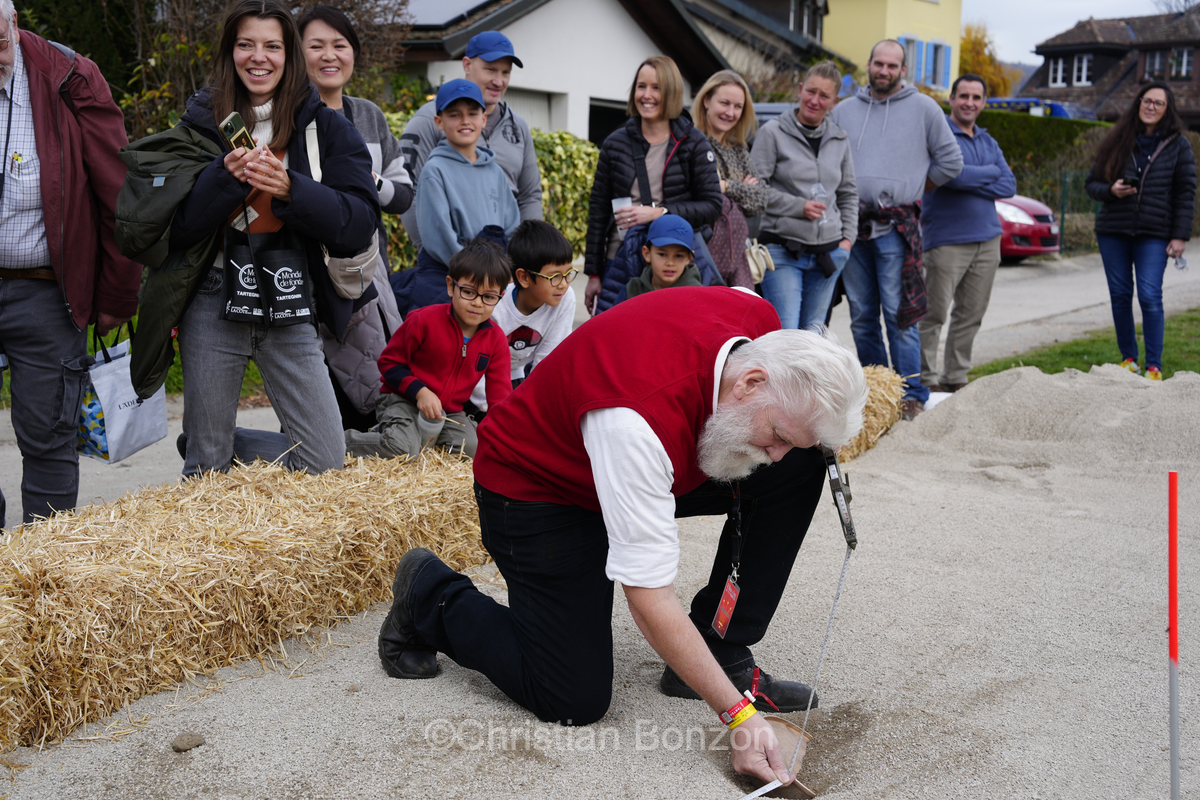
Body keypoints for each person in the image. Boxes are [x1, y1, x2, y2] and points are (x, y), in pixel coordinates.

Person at [377, 286, 868, 788]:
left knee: (798, 469)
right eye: (780, 435)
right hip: (539, 486)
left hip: (627, 454)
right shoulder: (635, 425)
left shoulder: (755, 316)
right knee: (573, 698)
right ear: (751, 382)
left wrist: (801, 440)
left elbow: (780, 436)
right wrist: (738, 716)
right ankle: (429, 593)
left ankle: (717, 646)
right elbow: (649, 600)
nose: (777, 451)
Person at [169, 0, 379, 477]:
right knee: (206, 470)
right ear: (230, 52)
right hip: (214, 294)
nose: (258, 57)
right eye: (246, 44)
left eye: (272, 46)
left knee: (325, 462)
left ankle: (233, 442)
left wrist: (291, 188)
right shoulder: (200, 123)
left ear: (290, 56)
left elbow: (360, 220)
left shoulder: (326, 127)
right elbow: (178, 228)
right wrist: (224, 181)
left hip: (289, 294)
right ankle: (212, 446)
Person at [0, 0, 141, 527]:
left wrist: (116, 296)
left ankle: (48, 575)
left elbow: (118, 197)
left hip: (47, 293)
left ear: (13, 24)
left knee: (48, 437)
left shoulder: (70, 77)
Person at [831, 40, 962, 420]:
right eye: (879, 63)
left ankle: (910, 393)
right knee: (861, 314)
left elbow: (950, 162)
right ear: (868, 65)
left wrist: (915, 188)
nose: (884, 71)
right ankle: (879, 389)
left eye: (892, 65)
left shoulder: (924, 108)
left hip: (896, 227)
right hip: (853, 225)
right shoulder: (844, 111)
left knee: (900, 315)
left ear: (903, 70)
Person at [298, 4, 412, 431]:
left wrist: (367, 181)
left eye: (339, 45)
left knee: (369, 394)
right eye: (316, 46)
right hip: (306, 280)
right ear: (297, 54)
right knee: (313, 401)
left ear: (353, 54)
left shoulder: (368, 115)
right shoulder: (289, 117)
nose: (330, 55)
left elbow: (403, 194)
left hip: (364, 274)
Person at [345, 240, 512, 459]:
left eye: (489, 297)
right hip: (402, 400)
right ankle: (340, 442)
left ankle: (418, 439)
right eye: (469, 292)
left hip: (448, 413)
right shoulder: (423, 320)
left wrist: (505, 436)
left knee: (471, 450)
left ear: (500, 296)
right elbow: (389, 363)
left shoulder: (496, 339)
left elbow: (500, 397)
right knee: (403, 450)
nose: (478, 303)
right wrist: (420, 392)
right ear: (451, 286)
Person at [583, 55, 723, 314]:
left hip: (672, 263)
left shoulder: (692, 142)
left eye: (656, 87)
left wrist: (660, 212)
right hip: (620, 259)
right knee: (615, 341)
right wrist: (593, 273)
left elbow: (712, 205)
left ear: (671, 92)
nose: (646, 95)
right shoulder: (615, 143)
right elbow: (598, 211)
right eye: (641, 86)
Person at [1086, 81, 1195, 380]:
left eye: (1158, 103)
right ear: (1138, 104)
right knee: (1120, 295)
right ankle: (1129, 359)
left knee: (1149, 296)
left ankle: (1154, 366)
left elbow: (1186, 193)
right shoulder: (1117, 139)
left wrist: (1179, 235)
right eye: (1146, 101)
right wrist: (1111, 190)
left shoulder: (1178, 145)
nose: (1151, 107)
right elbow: (1091, 184)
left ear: (1167, 110)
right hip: (1113, 231)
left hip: (1154, 232)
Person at [397, 31, 541, 254]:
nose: (498, 81)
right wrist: (435, 253)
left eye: (506, 72)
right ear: (467, 64)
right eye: (490, 69)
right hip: (451, 264)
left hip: (504, 263)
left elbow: (529, 195)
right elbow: (409, 192)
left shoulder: (519, 127)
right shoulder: (427, 120)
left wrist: (525, 255)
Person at [918, 74, 1015, 394]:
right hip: (945, 240)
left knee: (970, 314)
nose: (969, 103)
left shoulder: (989, 141)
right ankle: (925, 381)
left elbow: (1009, 185)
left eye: (976, 97)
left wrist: (967, 176)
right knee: (933, 315)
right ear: (951, 99)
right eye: (963, 96)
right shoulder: (940, 133)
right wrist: (988, 174)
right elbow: (950, 175)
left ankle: (955, 377)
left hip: (988, 240)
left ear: (984, 102)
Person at [395, 79, 521, 316]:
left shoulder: (495, 171)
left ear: (483, 119)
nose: (465, 121)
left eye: (472, 113)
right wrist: (480, 278)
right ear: (439, 122)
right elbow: (438, 239)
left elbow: (512, 226)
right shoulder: (435, 170)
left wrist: (501, 274)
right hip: (448, 281)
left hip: (489, 283)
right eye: (454, 114)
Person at [750, 61, 857, 330]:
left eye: (824, 96)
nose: (815, 100)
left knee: (813, 337)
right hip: (782, 250)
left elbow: (848, 192)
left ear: (835, 101)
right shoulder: (772, 132)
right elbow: (753, 191)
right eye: (811, 91)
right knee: (786, 334)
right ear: (800, 90)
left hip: (829, 252)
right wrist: (798, 206)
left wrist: (847, 240)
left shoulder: (839, 138)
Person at [465, 219, 577, 418]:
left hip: (515, 377)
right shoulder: (494, 305)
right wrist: (497, 410)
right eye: (555, 277)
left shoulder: (565, 299)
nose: (564, 284)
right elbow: (474, 363)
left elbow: (547, 363)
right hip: (475, 379)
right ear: (524, 277)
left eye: (569, 273)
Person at [691, 69, 764, 288]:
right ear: (706, 101)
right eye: (724, 103)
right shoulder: (691, 142)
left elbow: (759, 200)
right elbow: (702, 193)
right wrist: (739, 188)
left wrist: (726, 185)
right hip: (698, 258)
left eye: (738, 107)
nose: (730, 112)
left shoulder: (739, 150)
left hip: (736, 263)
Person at [625, 213, 704, 298]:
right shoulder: (634, 288)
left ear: (688, 258)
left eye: (678, 256)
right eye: (662, 254)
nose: (670, 263)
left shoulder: (697, 295)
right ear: (647, 254)